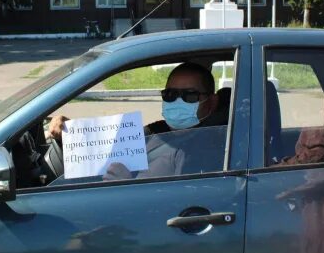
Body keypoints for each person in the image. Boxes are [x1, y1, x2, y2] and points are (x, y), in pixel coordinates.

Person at [47, 62, 227, 179]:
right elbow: (107, 145)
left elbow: (178, 209)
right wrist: (71, 133)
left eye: (189, 95)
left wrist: (127, 188)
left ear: (212, 101)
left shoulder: (206, 149)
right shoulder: (159, 130)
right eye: (170, 94)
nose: (177, 101)